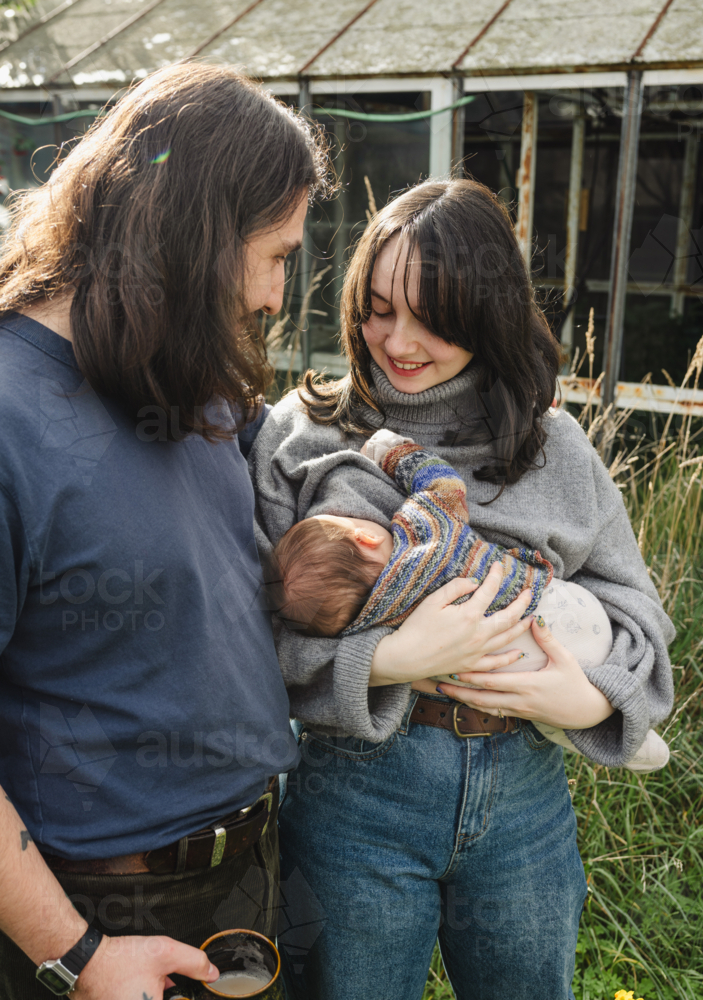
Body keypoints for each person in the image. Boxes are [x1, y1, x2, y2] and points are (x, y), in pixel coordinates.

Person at [249, 178, 676, 1000]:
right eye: (377, 308)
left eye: (432, 316)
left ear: (487, 310)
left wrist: (582, 700)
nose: (397, 341)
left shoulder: (557, 448)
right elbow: (243, 641)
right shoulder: (299, 437)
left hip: (524, 808)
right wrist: (383, 659)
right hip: (354, 806)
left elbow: (639, 622)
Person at [0, 63, 331, 1000]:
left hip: (251, 875)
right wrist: (79, 957)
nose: (275, 297)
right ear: (198, 235)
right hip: (100, 911)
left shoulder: (184, 379)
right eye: (275, 255)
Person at [269, 429, 670, 773]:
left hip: (505, 680)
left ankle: (624, 736)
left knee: (543, 714)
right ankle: (626, 733)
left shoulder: (375, 622)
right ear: (365, 536)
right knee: (551, 693)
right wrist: (389, 449)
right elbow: (444, 484)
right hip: (559, 610)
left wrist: (381, 661)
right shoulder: (425, 525)